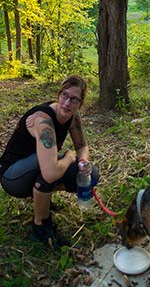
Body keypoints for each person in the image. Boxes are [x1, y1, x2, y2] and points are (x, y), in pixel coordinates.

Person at [0, 75, 99, 248]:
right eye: (64, 95)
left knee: (92, 175)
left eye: (74, 99)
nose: (67, 103)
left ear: (80, 104)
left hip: (36, 166)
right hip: (12, 175)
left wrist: (83, 162)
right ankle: (40, 225)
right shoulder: (44, 121)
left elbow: (82, 145)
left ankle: (41, 197)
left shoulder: (73, 118)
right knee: (51, 171)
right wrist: (69, 157)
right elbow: (51, 172)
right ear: (59, 95)